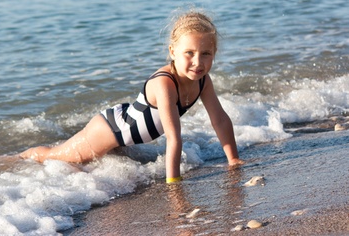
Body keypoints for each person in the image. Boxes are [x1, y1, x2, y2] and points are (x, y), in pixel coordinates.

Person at [19, 9, 244, 183]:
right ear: (173, 51)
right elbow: (174, 138)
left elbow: (220, 120)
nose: (198, 61)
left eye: (206, 54)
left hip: (127, 122)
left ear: (214, 54)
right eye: (189, 53)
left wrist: (233, 160)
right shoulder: (165, 83)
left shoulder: (203, 81)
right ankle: (14, 159)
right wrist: (174, 183)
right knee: (57, 157)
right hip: (109, 129)